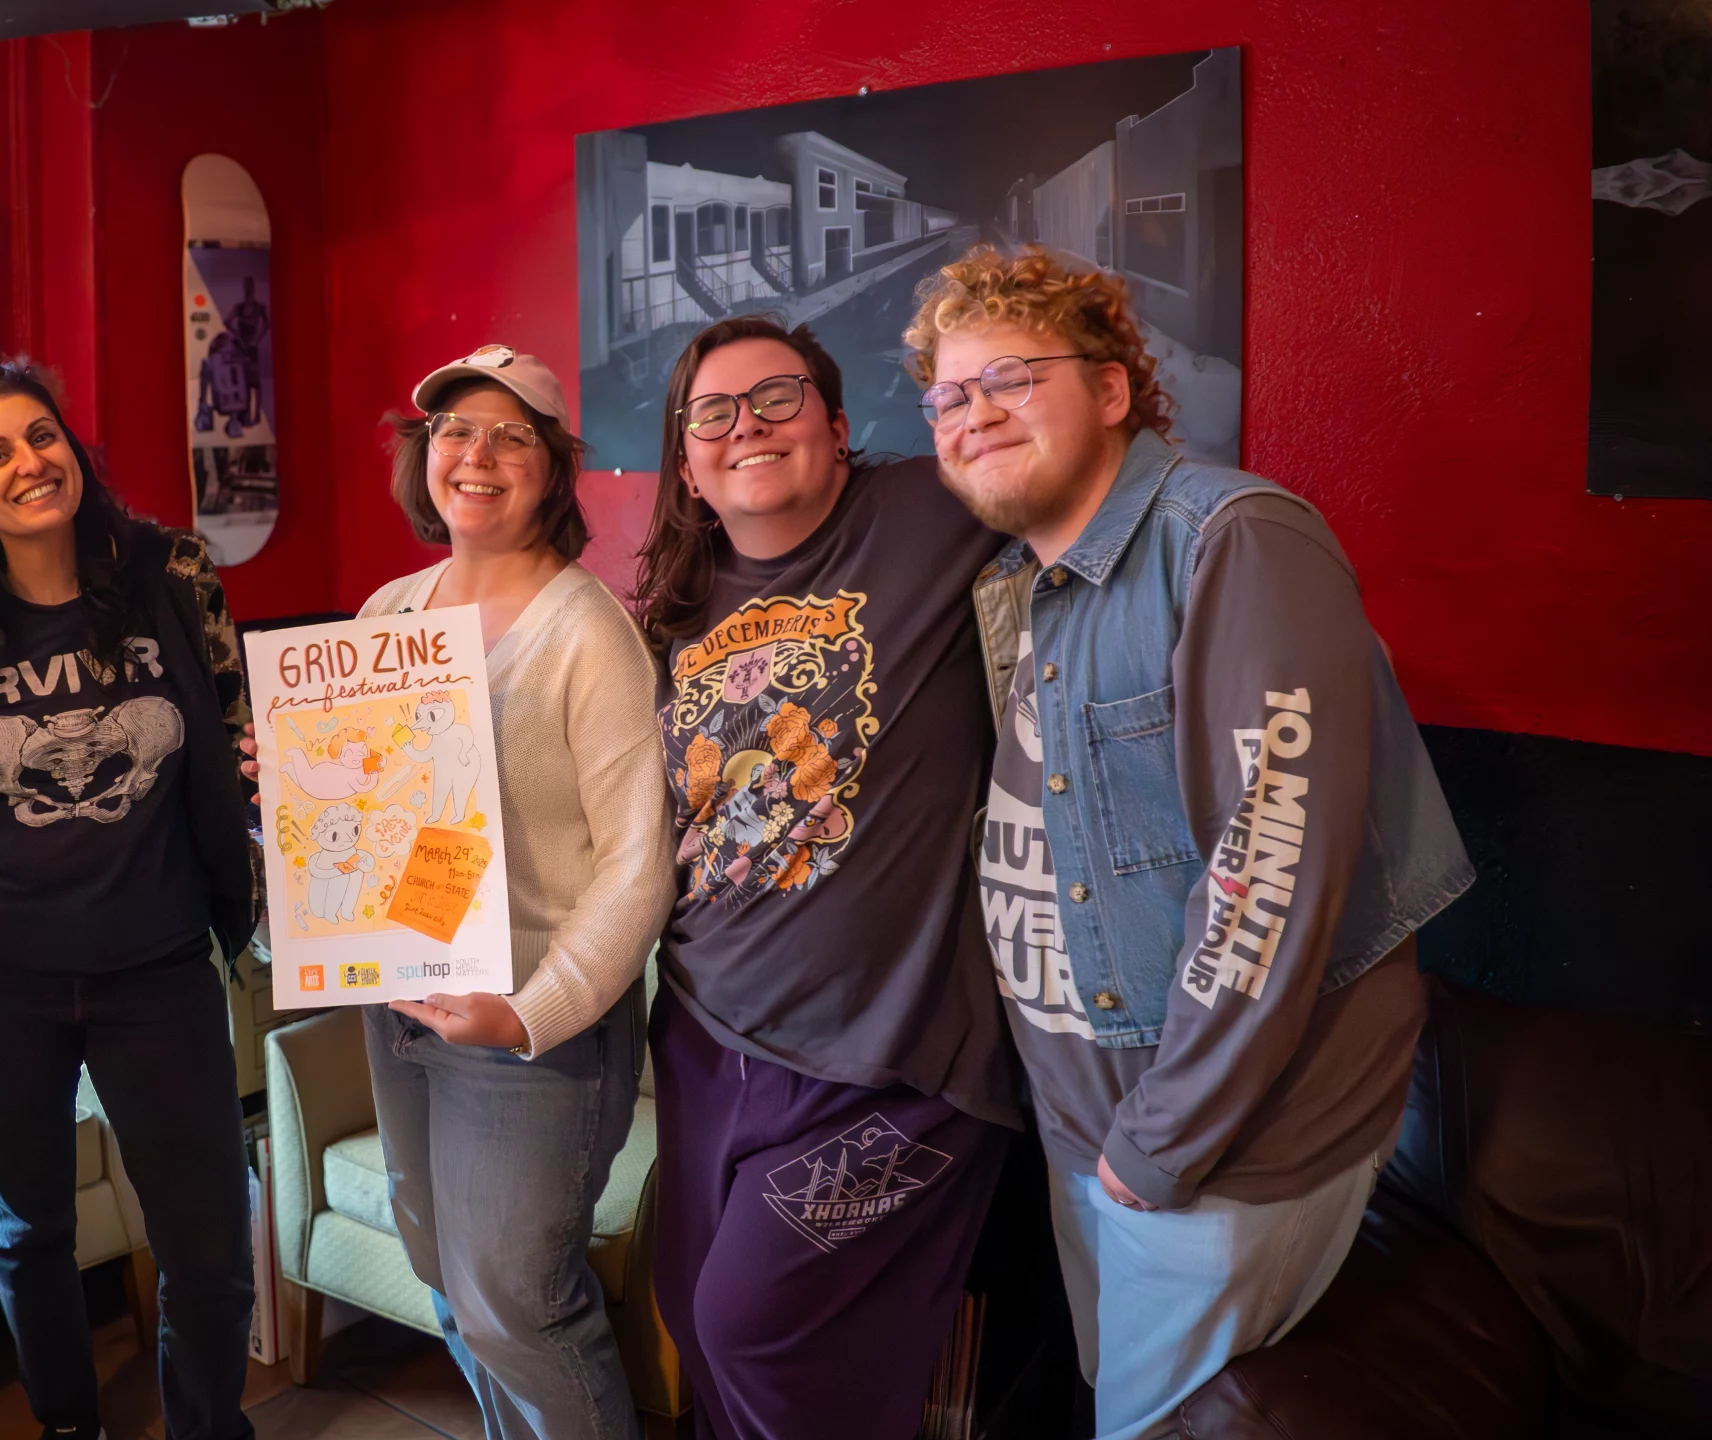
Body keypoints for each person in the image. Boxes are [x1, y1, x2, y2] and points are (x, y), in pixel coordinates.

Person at [904, 245, 1473, 1439]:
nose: (973, 414)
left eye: (1011, 377)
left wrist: (1156, 1150)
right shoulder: (1027, 582)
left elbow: (1271, 875)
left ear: (1111, 391)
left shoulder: (1232, 539)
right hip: (1087, 1116)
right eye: (950, 396)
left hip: (1211, 1145)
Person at [0, 363, 258, 1440]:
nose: (30, 463)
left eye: (41, 436)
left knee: (209, 1243)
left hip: (160, 968)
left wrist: (267, 765)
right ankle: (70, 1425)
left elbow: (229, 721)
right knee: (27, 1233)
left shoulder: (171, 573)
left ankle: (211, 1427)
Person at [631, 316, 1020, 1440]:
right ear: (689, 464)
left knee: (759, 1328)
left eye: (777, 399)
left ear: (839, 429)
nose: (744, 425)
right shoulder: (670, 606)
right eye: (712, 413)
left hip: (892, 1057)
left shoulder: (928, 515)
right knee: (695, 1326)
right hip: (708, 1033)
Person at [339, 345, 674, 1437]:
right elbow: (360, 812)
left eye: (511, 436)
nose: (476, 455)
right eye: (454, 432)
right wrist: (292, 783)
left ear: (553, 468)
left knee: (518, 1307)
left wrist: (528, 1015)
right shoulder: (389, 609)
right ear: (423, 456)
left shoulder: (588, 632)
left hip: (527, 1026)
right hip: (405, 1002)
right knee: (449, 1282)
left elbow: (637, 863)